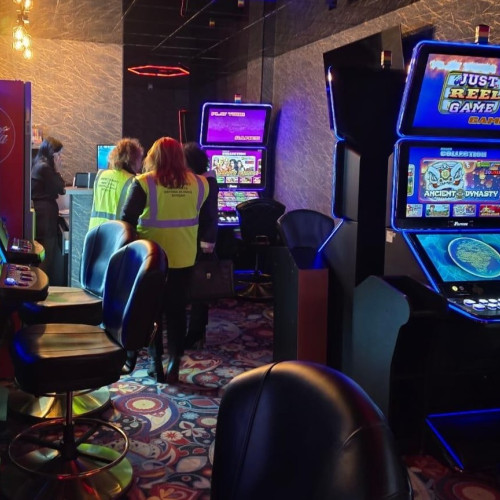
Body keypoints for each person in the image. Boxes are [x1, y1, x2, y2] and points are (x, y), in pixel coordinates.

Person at [121, 137, 209, 383]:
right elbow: (203, 218)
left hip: (153, 258)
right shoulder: (200, 184)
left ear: (153, 157)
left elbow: (126, 220)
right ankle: (175, 362)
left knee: (153, 311)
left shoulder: (144, 182)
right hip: (184, 257)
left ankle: (155, 362)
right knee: (177, 310)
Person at [183, 142, 219, 350]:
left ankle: (196, 334)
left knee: (199, 289)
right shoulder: (199, 180)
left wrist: (207, 243)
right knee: (196, 288)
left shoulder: (207, 182)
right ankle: (196, 332)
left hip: (203, 242)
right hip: (194, 240)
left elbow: (210, 216)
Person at [31, 136, 66, 283]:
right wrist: (57, 169)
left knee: (44, 254)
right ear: (52, 154)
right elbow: (61, 188)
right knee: (46, 255)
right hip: (45, 216)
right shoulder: (45, 167)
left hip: (42, 214)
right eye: (59, 154)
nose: (60, 158)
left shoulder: (38, 163)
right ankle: (41, 286)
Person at [88, 137, 144, 230]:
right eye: (139, 159)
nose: (141, 163)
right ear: (133, 160)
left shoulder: (101, 175)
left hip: (94, 231)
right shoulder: (133, 181)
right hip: (116, 233)